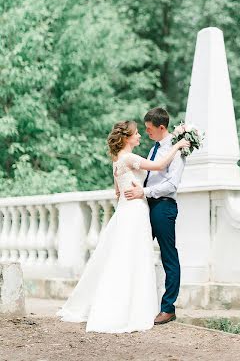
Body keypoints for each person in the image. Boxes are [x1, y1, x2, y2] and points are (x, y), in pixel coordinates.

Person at [56, 120, 188, 333]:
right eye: (137, 133)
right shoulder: (130, 157)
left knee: (122, 256)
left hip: (126, 210)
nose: (140, 136)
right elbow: (159, 166)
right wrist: (177, 146)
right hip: (136, 210)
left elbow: (117, 191)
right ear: (127, 138)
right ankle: (131, 308)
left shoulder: (118, 161)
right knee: (135, 257)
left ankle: (121, 303)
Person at [124, 107, 186, 325]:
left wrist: (145, 192)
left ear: (162, 127)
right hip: (145, 205)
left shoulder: (177, 151)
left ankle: (168, 308)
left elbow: (171, 184)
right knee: (137, 251)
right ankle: (136, 303)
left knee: (168, 256)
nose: (146, 132)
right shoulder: (154, 149)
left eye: (149, 129)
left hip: (163, 207)